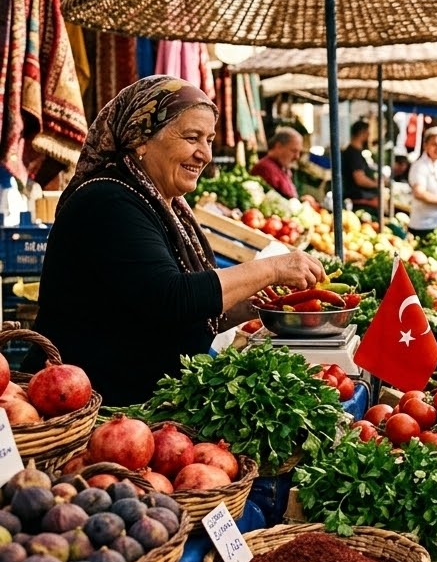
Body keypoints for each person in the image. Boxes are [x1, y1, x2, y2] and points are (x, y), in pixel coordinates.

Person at [33, 76, 326, 406]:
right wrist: (274, 268)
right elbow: (170, 296)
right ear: (141, 139)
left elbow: (170, 307)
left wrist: (254, 304)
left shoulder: (160, 202)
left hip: (142, 405)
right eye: (192, 137)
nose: (205, 154)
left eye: (210, 140)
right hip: (91, 408)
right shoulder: (108, 200)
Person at [251, 126, 302, 199]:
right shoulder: (265, 168)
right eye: (294, 151)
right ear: (278, 147)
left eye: (299, 152)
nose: (297, 157)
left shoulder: (283, 168)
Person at [341, 120, 380, 215]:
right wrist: (376, 184)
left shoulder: (354, 152)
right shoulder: (353, 154)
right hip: (360, 200)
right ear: (362, 133)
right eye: (368, 133)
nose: (369, 136)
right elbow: (360, 179)